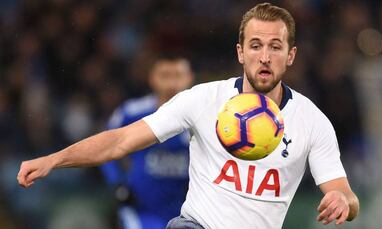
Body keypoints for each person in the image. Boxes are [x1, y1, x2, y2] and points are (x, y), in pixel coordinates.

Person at [17, 3, 360, 229]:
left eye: (275, 47)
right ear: (241, 52)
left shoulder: (312, 121)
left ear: (291, 55)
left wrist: (340, 200)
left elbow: (346, 194)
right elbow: (121, 140)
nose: (265, 56)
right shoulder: (202, 99)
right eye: (256, 45)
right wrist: (54, 159)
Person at [100, 56, 193, 228]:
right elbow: (105, 147)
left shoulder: (201, 116)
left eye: (178, 75)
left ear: (190, 78)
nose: (171, 83)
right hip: (140, 209)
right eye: (165, 76)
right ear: (152, 78)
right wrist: (118, 184)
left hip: (184, 211)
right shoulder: (132, 112)